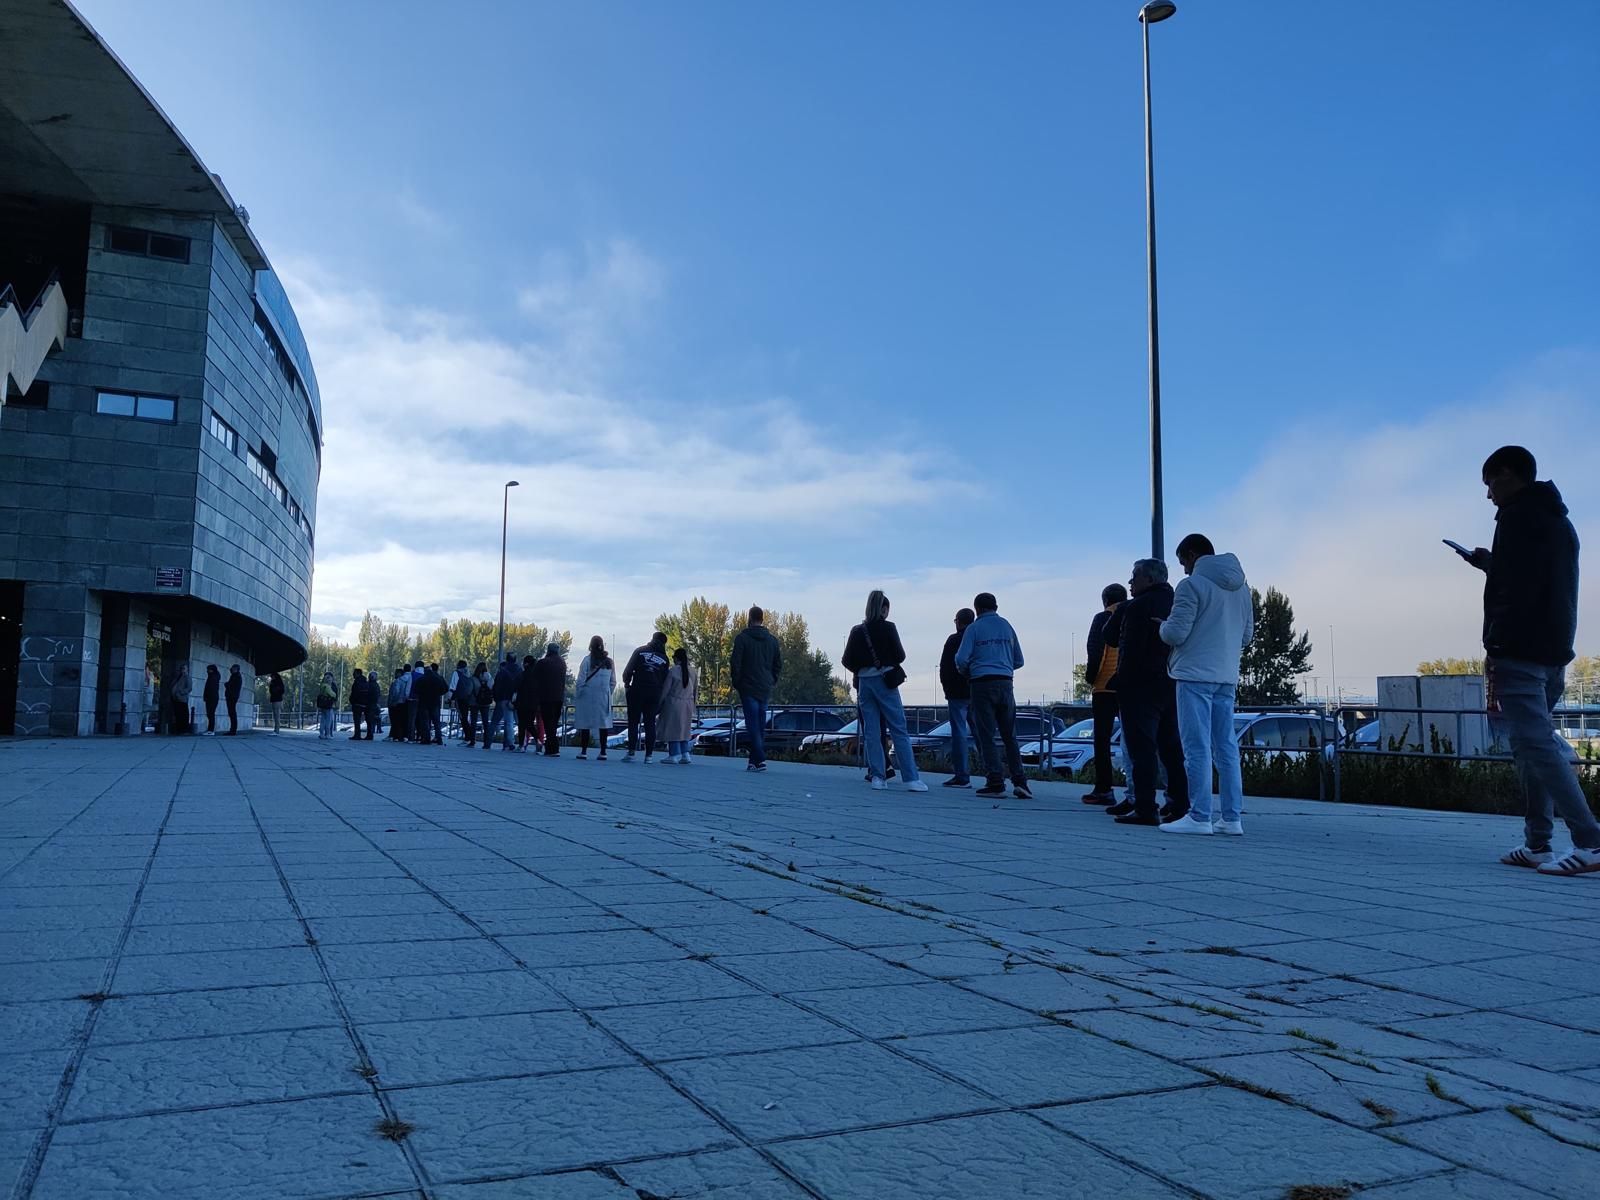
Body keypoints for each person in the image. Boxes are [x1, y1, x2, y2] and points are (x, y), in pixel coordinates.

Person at [1467, 446, 1597, 876]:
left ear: (1510, 475)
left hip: (1520, 652)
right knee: (1528, 745)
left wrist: (1497, 645)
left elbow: (1516, 594)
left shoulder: (1518, 518)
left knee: (1539, 747)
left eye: (1492, 484)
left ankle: (1590, 842)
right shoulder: (1559, 521)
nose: (1489, 497)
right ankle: (1538, 843)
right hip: (1554, 652)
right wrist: (1491, 564)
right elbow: (1529, 581)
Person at [1159, 533, 1254, 836]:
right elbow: (1247, 636)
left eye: (1182, 562)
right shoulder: (1242, 588)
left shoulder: (1191, 586)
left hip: (1194, 675)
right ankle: (1231, 817)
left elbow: (1175, 634)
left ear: (1190, 554)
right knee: (1226, 747)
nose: (1183, 570)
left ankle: (1199, 816)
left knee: (1196, 747)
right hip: (1226, 676)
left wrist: (1161, 626)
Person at [1108, 561, 1190, 826]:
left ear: (1150, 579)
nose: (1130, 583)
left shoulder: (1135, 607)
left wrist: (1122, 681)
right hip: (1171, 681)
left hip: (1139, 686)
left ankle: (1145, 807)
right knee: (1171, 748)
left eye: (1134, 577)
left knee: (1141, 749)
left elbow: (1115, 640)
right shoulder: (1177, 602)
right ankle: (1179, 804)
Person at [841, 591, 928, 792]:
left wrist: (862, 668)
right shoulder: (889, 628)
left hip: (865, 683)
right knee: (898, 729)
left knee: (871, 731)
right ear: (884, 609)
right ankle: (911, 778)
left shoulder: (857, 631)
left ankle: (878, 777)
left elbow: (846, 660)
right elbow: (900, 655)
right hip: (885, 682)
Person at [954, 593, 1031, 799]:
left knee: (986, 735)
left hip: (981, 684)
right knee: (1009, 735)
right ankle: (1020, 781)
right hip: (1006, 683)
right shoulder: (1007, 626)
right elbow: (1019, 660)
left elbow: (961, 659)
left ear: (977, 609)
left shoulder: (974, 628)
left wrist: (968, 670)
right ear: (996, 606)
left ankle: (995, 781)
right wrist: (1003, 665)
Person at [1082, 584, 1128, 804]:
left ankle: (1104, 789)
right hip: (1129, 684)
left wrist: (1091, 678)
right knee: (1133, 739)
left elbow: (1096, 651)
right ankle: (1137, 789)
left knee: (1102, 740)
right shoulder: (1133, 614)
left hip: (1104, 686)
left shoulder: (1103, 618)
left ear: (1105, 600)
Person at [729, 607, 782, 772]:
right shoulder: (772, 641)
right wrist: (772, 679)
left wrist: (737, 682)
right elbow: (778, 664)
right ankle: (753, 762)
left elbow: (735, 662)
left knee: (752, 724)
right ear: (762, 619)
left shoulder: (742, 639)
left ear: (749, 618)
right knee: (759, 724)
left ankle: (760, 758)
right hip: (764, 687)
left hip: (748, 686)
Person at [939, 608, 976, 788]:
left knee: (959, 733)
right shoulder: (977, 638)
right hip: (976, 691)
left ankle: (962, 774)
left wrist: (947, 689)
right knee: (982, 733)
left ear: (958, 622)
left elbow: (945, 666)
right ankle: (994, 773)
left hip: (956, 694)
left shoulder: (954, 640)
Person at [622, 631, 671, 763]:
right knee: (650, 723)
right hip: (654, 693)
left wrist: (627, 684)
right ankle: (648, 755)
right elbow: (665, 679)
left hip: (637, 689)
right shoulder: (664, 659)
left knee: (633, 722)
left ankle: (631, 752)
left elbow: (628, 671)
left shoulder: (640, 651)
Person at [574, 636, 616, 760]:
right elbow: (613, 682)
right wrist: (608, 693)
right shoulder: (609, 662)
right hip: (603, 697)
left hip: (587, 697)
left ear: (590, 645)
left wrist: (579, 694)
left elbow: (581, 680)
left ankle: (584, 751)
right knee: (603, 725)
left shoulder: (587, 661)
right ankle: (603, 752)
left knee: (585, 724)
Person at [658, 646, 697, 764]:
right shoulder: (693, 671)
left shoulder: (673, 670)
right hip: (688, 703)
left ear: (677, 658)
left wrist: (659, 702)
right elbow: (695, 690)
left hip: (674, 703)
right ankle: (686, 754)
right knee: (684, 729)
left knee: (672, 729)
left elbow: (666, 689)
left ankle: (673, 755)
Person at [531, 644, 567, 756]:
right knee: (554, 723)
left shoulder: (543, 663)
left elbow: (534, 679)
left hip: (546, 697)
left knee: (548, 723)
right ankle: (553, 747)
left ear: (548, 651)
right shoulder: (562, 663)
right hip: (559, 697)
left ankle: (552, 748)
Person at [484, 654, 518, 751]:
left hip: (502, 699)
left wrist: (496, 698)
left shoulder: (502, 672)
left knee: (495, 722)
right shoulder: (519, 670)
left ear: (507, 660)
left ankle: (487, 743)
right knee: (511, 722)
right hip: (514, 700)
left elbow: (496, 687)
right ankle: (507, 744)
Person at [414, 663, 447, 745]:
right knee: (436, 722)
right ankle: (439, 739)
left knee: (425, 721)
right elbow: (445, 689)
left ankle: (426, 738)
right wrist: (438, 694)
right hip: (435, 702)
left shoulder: (421, 679)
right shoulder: (438, 678)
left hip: (424, 702)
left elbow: (416, 690)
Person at [516, 655, 541, 751]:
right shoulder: (538, 676)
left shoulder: (522, 675)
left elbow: (516, 686)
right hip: (533, 704)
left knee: (522, 725)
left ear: (526, 664)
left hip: (522, 703)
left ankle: (521, 745)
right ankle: (538, 740)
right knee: (530, 723)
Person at [449, 659, 476, 746]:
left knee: (463, 718)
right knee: (465, 718)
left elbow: (453, 686)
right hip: (467, 699)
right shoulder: (467, 675)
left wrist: (449, 698)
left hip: (459, 698)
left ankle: (468, 737)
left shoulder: (456, 673)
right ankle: (470, 737)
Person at [387, 667, 412, 741]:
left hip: (397, 703)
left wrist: (392, 701)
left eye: (396, 673)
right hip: (405, 703)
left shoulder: (398, 681)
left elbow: (396, 692)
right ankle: (402, 736)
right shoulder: (409, 680)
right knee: (403, 720)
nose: (395, 674)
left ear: (400, 673)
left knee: (396, 720)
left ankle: (396, 736)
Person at [348, 668, 372, 740]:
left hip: (357, 704)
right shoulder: (366, 682)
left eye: (354, 673)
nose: (353, 675)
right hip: (365, 704)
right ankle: (369, 735)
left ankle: (357, 735)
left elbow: (354, 693)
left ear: (358, 673)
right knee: (368, 720)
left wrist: (352, 701)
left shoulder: (356, 682)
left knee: (357, 720)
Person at [315, 671, 338, 739]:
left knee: (323, 720)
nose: (329, 679)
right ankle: (327, 734)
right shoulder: (327, 686)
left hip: (322, 705)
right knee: (329, 720)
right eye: (328, 678)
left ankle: (321, 733)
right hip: (328, 705)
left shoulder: (322, 685)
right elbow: (333, 694)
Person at [170, 664, 191, 735]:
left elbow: (189, 688)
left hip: (182, 698)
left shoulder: (187, 677)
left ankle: (184, 729)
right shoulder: (178, 677)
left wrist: (180, 692)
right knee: (177, 714)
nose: (183, 670)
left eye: (184, 668)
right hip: (175, 698)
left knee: (183, 714)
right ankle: (179, 729)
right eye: (182, 668)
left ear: (187, 669)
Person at [224, 664, 243, 735]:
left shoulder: (236, 676)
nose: (231, 669)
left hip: (232, 696)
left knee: (232, 713)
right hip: (232, 696)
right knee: (232, 713)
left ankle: (233, 730)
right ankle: (232, 730)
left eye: (233, 668)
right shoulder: (235, 676)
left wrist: (226, 684)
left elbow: (230, 685)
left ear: (236, 669)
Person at [202, 665, 221, 736]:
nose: (207, 671)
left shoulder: (213, 677)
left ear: (212, 670)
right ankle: (210, 729)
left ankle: (211, 730)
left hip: (212, 698)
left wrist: (206, 697)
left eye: (208, 669)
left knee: (211, 713)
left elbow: (210, 688)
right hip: (212, 698)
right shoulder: (213, 676)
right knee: (210, 714)